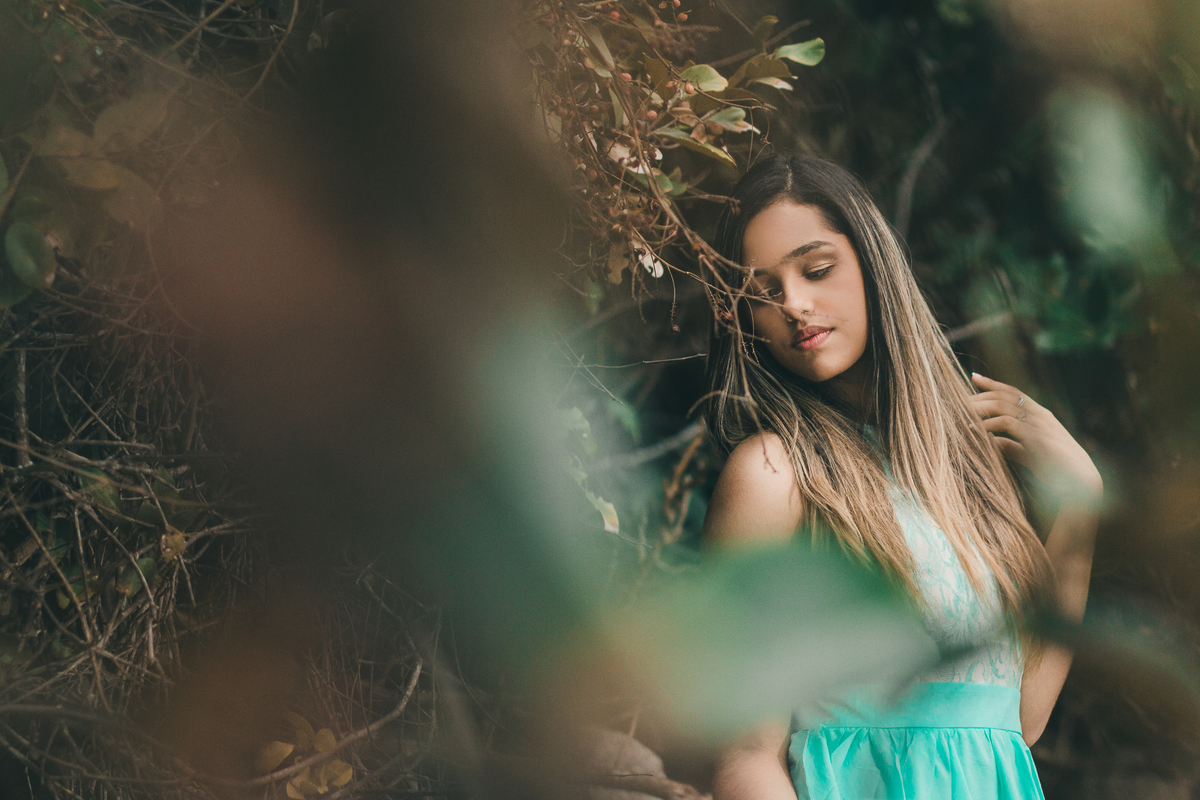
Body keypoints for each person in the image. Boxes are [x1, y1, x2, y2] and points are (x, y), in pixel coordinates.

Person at [700, 154, 1102, 800]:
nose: (795, 305)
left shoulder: (971, 474)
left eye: (817, 269)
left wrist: (1081, 507)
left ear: (872, 263)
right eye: (761, 291)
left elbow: (1014, 725)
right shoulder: (775, 477)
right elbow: (743, 757)